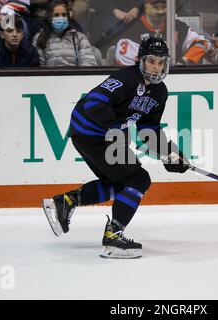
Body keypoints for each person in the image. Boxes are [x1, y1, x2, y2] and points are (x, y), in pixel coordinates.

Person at [42, 35, 190, 259]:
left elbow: (148, 129)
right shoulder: (125, 79)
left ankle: (65, 202)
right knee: (138, 180)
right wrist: (117, 128)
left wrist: (169, 154)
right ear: (140, 60)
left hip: (102, 137)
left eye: (161, 62)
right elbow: (93, 103)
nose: (156, 67)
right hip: (90, 134)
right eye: (151, 61)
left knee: (122, 183)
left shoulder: (159, 92)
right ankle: (113, 236)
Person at [102, 0, 214, 66]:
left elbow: (203, 44)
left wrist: (184, 62)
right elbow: (129, 66)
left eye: (164, 6)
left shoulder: (178, 26)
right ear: (146, 6)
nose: (161, 11)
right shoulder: (130, 30)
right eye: (156, 7)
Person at [32, 0, 97, 67]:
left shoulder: (79, 37)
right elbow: (40, 68)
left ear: (68, 17)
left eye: (64, 15)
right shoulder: (40, 38)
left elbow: (89, 62)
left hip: (75, 76)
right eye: (56, 15)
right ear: (49, 17)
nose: (61, 18)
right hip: (51, 77)